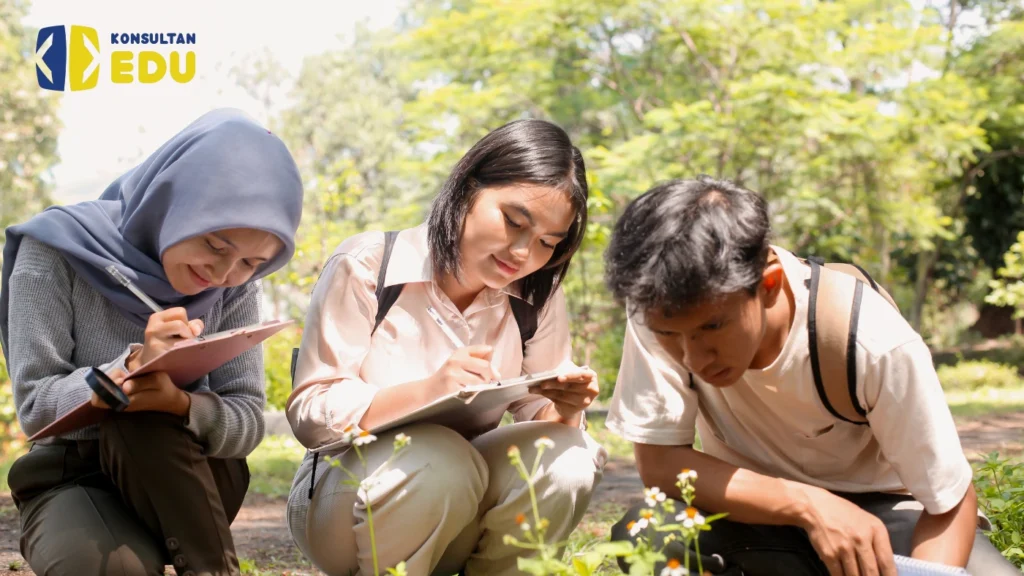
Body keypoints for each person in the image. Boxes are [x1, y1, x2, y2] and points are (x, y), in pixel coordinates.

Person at [602, 176, 1017, 575]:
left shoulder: (870, 338)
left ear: (768, 283)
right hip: (754, 514)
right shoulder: (658, 305)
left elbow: (949, 501)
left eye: (712, 328)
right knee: (649, 533)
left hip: (886, 522)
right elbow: (659, 463)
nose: (692, 357)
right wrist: (808, 506)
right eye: (670, 336)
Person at [286, 119, 607, 576]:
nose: (522, 253)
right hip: (347, 506)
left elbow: (541, 425)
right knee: (439, 457)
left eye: (546, 243)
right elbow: (311, 414)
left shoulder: (537, 295)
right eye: (514, 221)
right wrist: (429, 391)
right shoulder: (367, 266)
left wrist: (566, 408)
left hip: (464, 509)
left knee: (568, 456)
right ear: (466, 187)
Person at [0, 109, 304, 576]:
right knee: (111, 566)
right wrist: (128, 368)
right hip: (70, 478)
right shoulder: (56, 250)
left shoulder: (236, 286)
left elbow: (248, 421)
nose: (223, 275)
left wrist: (182, 404)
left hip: (189, 472)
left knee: (147, 414)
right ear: (172, 203)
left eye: (250, 263)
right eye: (216, 246)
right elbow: (37, 408)